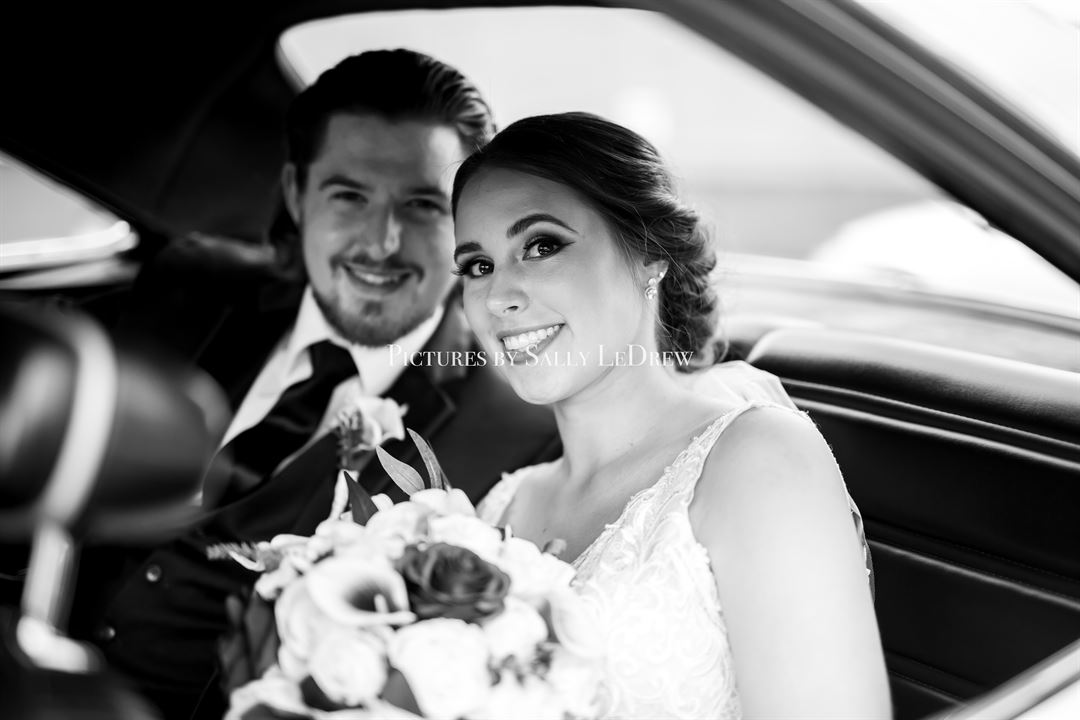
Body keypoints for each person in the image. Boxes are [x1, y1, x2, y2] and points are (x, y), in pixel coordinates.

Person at [68, 50, 558, 720]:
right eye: (349, 196)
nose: (382, 243)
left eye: (422, 205)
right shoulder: (191, 286)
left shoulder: (514, 430)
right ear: (298, 194)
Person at [454, 113, 891, 718]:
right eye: (478, 266)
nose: (500, 296)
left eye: (542, 246)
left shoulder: (760, 462)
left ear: (648, 256)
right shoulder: (498, 509)